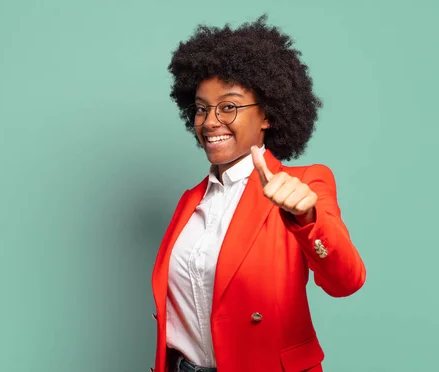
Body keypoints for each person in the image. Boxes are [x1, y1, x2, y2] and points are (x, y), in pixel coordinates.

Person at [151, 15, 366, 372]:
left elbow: (347, 281)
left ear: (266, 114)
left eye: (229, 106)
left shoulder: (304, 184)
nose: (210, 121)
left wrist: (307, 219)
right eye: (202, 108)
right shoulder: (190, 201)